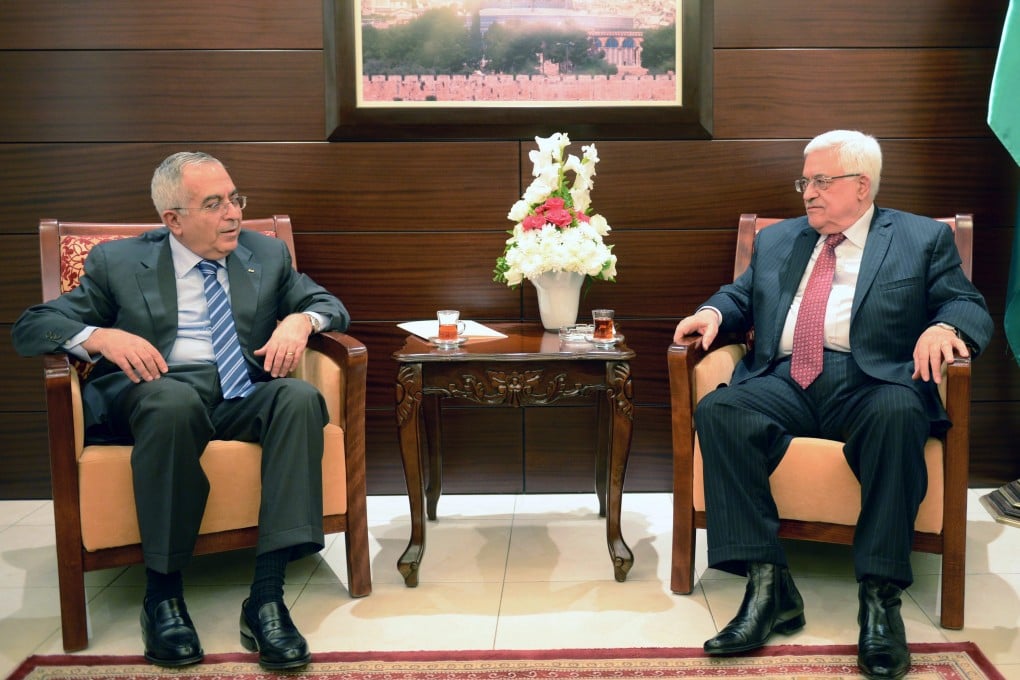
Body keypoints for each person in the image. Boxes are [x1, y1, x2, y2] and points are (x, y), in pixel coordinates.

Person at [672, 130, 993, 680]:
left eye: (821, 181)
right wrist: (714, 313)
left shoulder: (919, 239)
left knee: (899, 416)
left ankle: (880, 597)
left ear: (862, 187)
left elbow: (967, 304)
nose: (807, 193)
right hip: (786, 377)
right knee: (720, 411)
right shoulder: (781, 240)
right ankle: (769, 585)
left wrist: (943, 325)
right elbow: (741, 294)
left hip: (873, 379)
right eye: (805, 181)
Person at [11, 152, 350, 671]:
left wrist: (301, 321)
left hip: (238, 392)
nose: (232, 214)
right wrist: (100, 335)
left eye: (235, 198)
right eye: (213, 204)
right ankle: (162, 596)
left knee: (300, 398)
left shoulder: (267, 254)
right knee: (173, 403)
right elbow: (33, 326)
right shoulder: (119, 262)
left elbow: (330, 304)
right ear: (173, 219)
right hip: (158, 392)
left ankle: (266, 598)